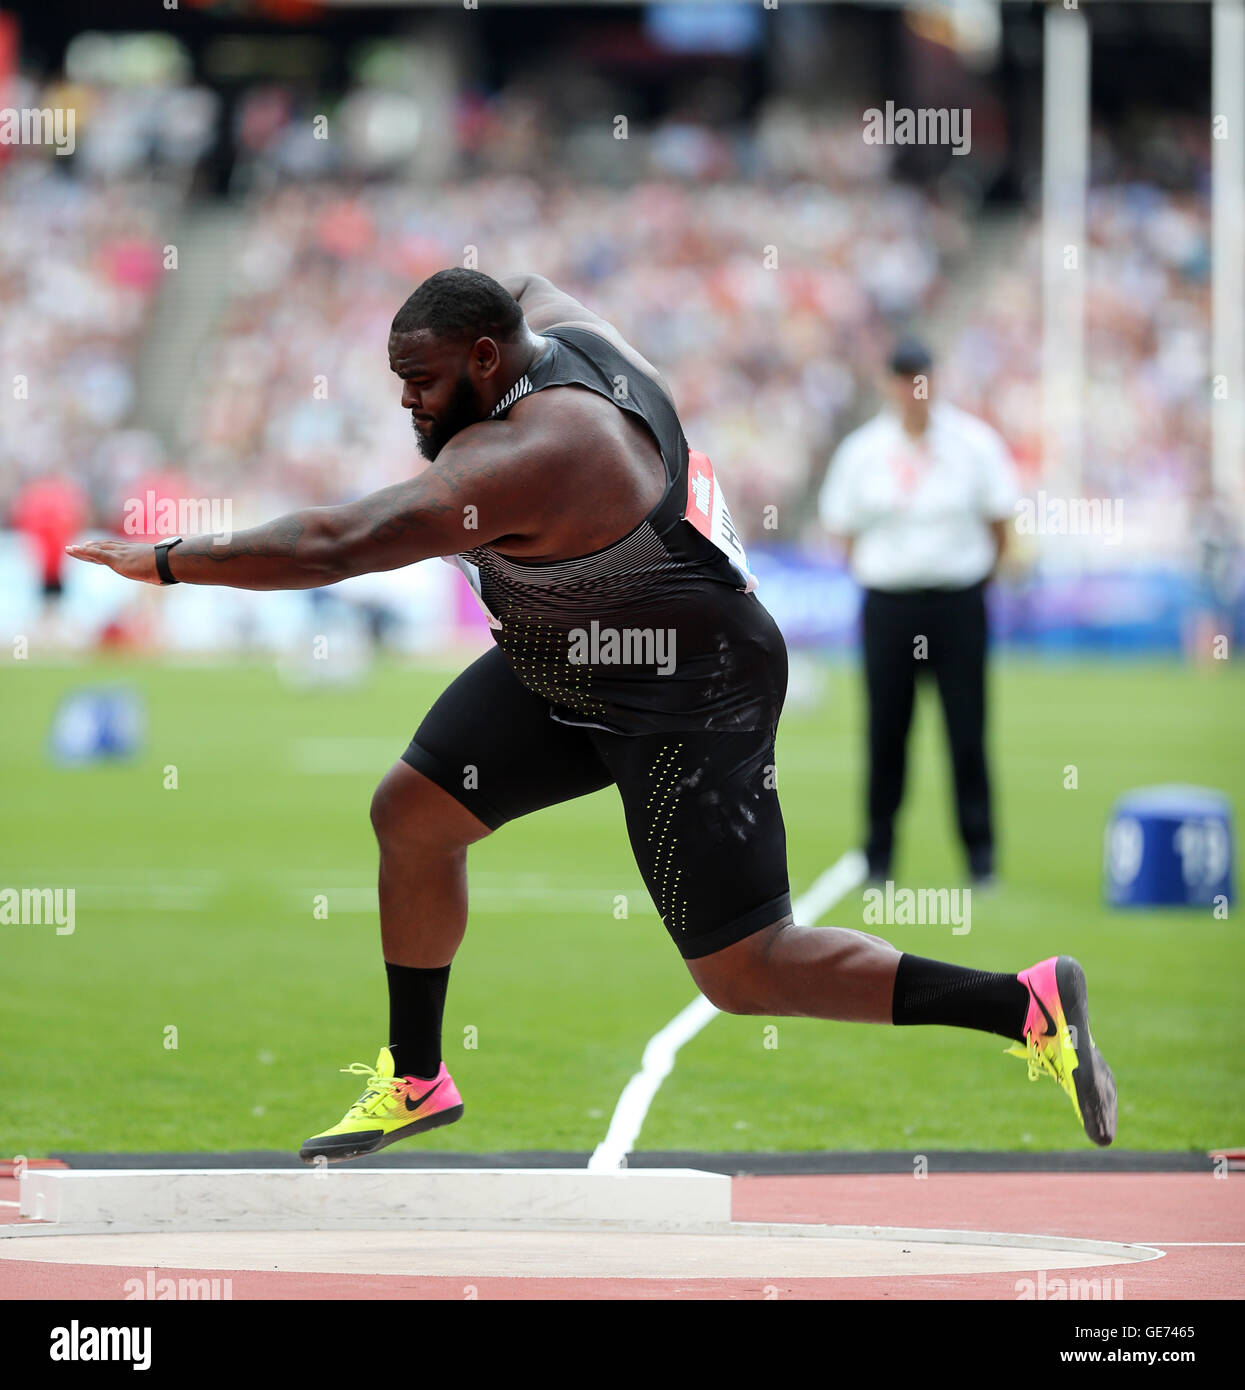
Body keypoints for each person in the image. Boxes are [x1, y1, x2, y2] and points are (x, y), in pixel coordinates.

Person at [68, 269, 1115, 1155]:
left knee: (744, 971)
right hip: (570, 660)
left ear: (486, 360)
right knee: (413, 815)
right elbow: (513, 284)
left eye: (421, 385)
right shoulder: (551, 327)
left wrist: (165, 560)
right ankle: (420, 1076)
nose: (409, 408)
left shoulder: (535, 456)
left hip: (687, 691)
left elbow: (335, 542)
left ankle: (1023, 1004)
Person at [819, 338, 1018, 887]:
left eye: (920, 378)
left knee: (967, 731)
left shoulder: (975, 444)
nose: (912, 391)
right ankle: (878, 857)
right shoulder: (862, 451)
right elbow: (842, 533)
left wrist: (970, 577)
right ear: (886, 384)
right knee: (885, 732)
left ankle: (981, 858)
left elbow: (1001, 525)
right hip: (889, 607)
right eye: (902, 379)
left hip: (957, 602)